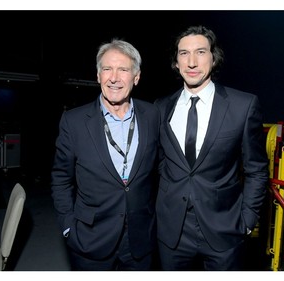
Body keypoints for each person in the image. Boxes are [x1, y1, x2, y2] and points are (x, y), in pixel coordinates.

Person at [154, 25, 269, 270]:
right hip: (172, 232)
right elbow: (162, 164)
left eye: (201, 52)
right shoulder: (161, 107)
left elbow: (257, 169)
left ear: (213, 57)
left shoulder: (243, 106)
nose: (192, 62)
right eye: (184, 53)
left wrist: (247, 220)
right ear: (176, 61)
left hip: (224, 230)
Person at [51, 39, 160, 270]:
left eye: (123, 69)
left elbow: (162, 170)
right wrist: (68, 227)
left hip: (141, 239)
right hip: (90, 240)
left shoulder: (153, 115)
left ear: (136, 77)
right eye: (107, 69)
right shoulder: (74, 121)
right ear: (98, 75)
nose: (114, 77)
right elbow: (61, 178)